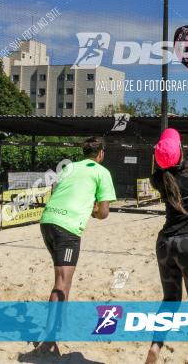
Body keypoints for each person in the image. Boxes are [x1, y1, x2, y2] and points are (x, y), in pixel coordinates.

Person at [145, 81, 188, 364]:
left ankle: (155, 348)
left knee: (170, 300)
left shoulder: (158, 178)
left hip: (164, 243)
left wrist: (163, 149)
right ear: (182, 152)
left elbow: (159, 158)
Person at [34, 136, 116, 356]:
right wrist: (94, 210)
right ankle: (48, 342)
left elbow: (58, 192)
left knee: (64, 280)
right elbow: (104, 213)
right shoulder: (102, 172)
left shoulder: (69, 168)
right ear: (100, 154)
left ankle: (59, 325)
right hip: (67, 228)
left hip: (47, 221)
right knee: (61, 282)